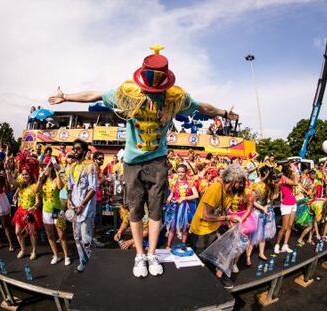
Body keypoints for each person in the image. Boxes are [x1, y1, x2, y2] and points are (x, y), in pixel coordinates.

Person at [49, 44, 238, 278]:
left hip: (158, 160)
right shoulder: (128, 92)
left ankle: (152, 254)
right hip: (132, 161)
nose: (153, 92)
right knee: (136, 210)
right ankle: (140, 255)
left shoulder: (175, 97)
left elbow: (202, 106)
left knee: (156, 210)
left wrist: (223, 114)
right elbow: (95, 94)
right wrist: (66, 96)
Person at [190, 164, 245, 289]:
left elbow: (224, 212)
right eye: (239, 182)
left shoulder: (230, 194)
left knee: (220, 255)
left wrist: (234, 229)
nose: (241, 185)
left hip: (213, 229)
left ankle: (216, 279)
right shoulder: (215, 188)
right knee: (201, 262)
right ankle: (198, 287)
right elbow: (206, 216)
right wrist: (227, 218)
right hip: (201, 231)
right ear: (232, 180)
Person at [66, 139, 97, 272]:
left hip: (86, 209)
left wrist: (83, 204)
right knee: (77, 237)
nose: (75, 151)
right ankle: (83, 261)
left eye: (78, 149)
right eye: (74, 149)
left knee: (86, 239)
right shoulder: (72, 167)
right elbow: (70, 186)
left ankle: (94, 263)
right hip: (74, 209)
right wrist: (68, 200)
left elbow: (93, 188)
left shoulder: (91, 166)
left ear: (84, 151)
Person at [36, 157, 70, 265]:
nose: (43, 169)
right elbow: (36, 191)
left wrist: (57, 171)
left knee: (62, 235)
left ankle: (66, 256)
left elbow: (60, 187)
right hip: (46, 211)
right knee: (50, 235)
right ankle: (56, 255)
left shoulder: (56, 179)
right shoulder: (43, 180)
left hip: (57, 209)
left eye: (45, 166)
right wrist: (39, 180)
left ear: (50, 167)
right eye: (42, 166)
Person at [9, 165, 42, 260]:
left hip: (31, 212)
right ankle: (23, 249)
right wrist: (7, 171)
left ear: (31, 175)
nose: (24, 176)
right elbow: (11, 181)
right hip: (20, 211)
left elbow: (38, 201)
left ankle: (34, 251)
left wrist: (34, 207)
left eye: (26, 174)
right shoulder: (21, 184)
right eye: (23, 174)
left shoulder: (35, 186)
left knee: (32, 233)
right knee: (17, 232)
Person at [164, 164, 199, 248]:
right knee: (172, 227)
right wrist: (168, 200)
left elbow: (196, 195)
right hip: (175, 207)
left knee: (185, 228)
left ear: (186, 172)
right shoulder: (174, 182)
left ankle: (183, 246)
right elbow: (172, 193)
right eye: (179, 172)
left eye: (182, 172)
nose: (180, 174)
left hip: (186, 209)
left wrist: (184, 198)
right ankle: (168, 246)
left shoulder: (190, 182)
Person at [274, 162, 298, 254]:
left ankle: (285, 245)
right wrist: (295, 170)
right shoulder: (283, 177)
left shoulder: (289, 177)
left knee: (290, 226)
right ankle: (277, 244)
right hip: (286, 204)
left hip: (293, 203)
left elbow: (296, 181)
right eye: (290, 168)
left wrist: (295, 172)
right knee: (284, 227)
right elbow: (295, 183)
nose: (292, 169)